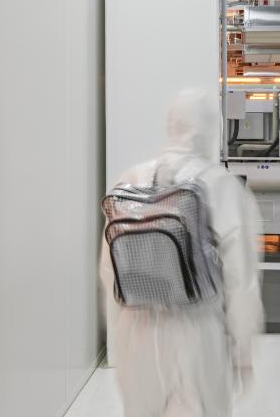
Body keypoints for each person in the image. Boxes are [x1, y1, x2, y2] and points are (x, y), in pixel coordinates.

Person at [100, 88, 263, 417]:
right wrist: (242, 350)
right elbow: (240, 278)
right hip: (197, 333)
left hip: (137, 333)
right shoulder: (220, 184)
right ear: (208, 129)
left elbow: (109, 270)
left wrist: (118, 334)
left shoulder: (130, 180)